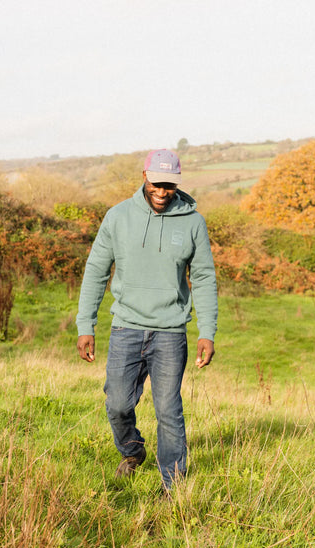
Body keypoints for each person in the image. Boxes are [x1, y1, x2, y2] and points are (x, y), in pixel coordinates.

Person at [76, 148, 218, 492]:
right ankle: (132, 451)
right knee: (118, 403)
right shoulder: (117, 216)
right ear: (144, 177)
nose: (161, 191)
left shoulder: (193, 222)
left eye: (169, 184)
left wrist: (207, 331)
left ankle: (173, 484)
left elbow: (203, 278)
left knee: (169, 409)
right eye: (156, 182)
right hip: (126, 327)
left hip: (170, 331)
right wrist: (86, 325)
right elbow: (96, 270)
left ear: (177, 184)